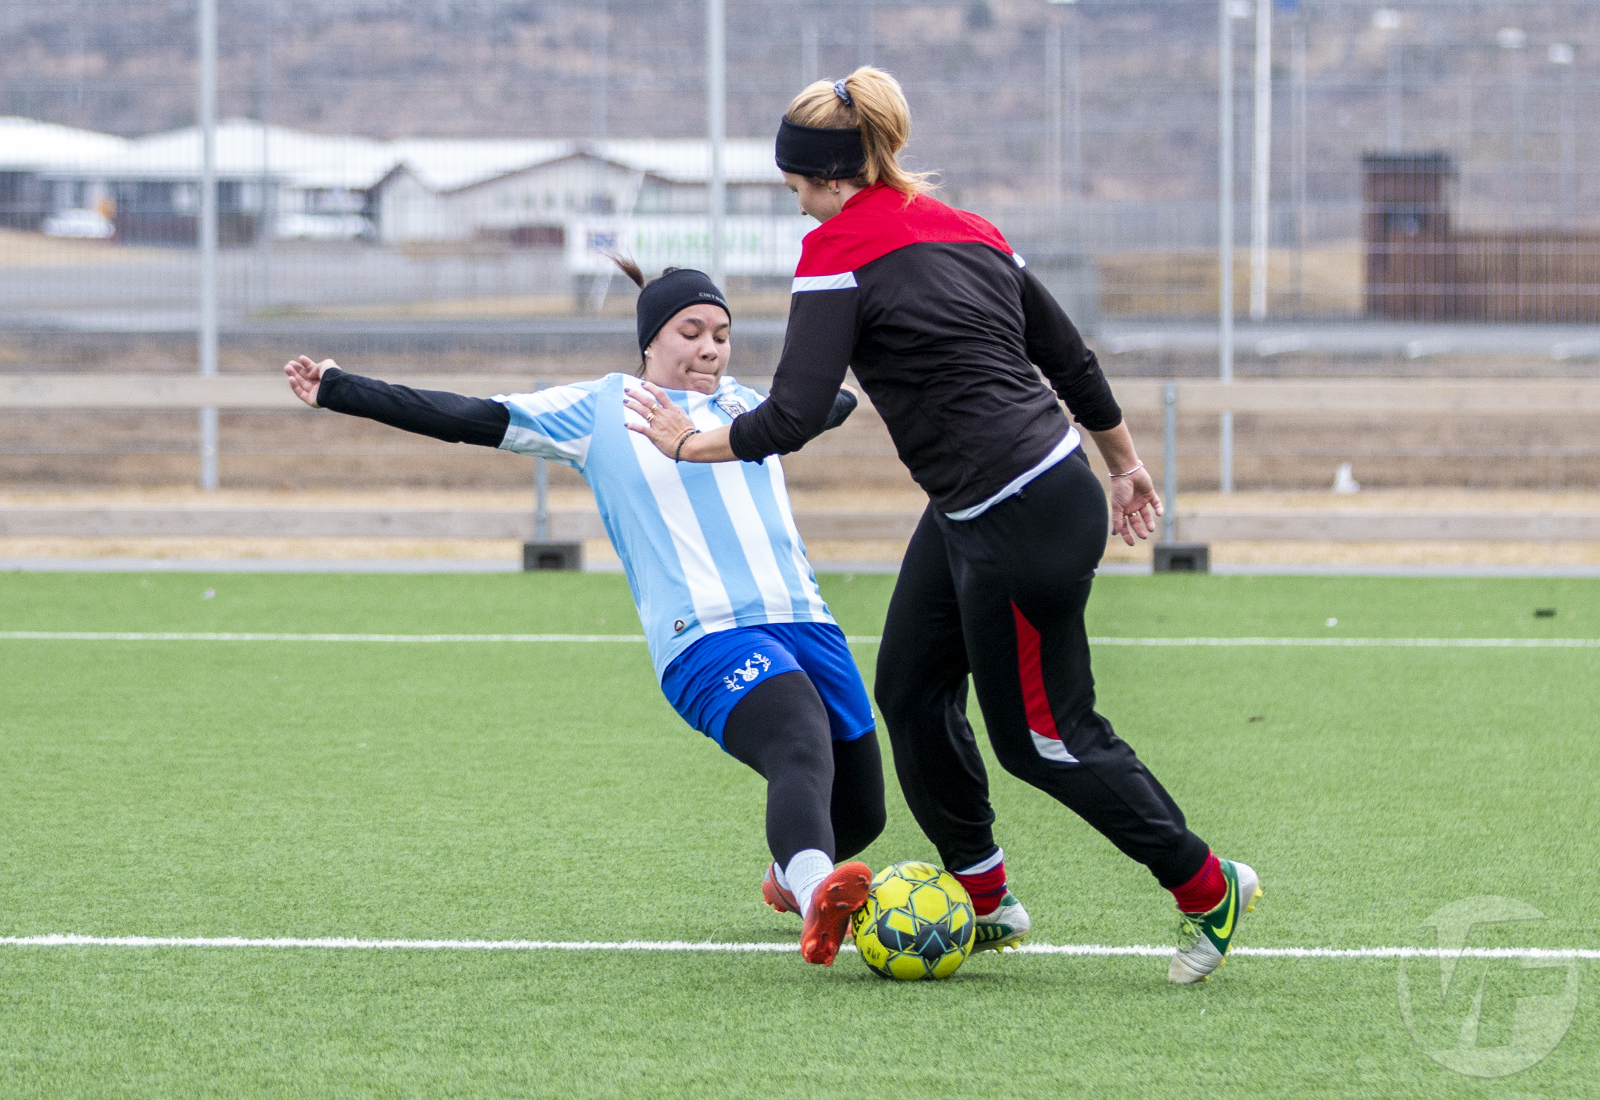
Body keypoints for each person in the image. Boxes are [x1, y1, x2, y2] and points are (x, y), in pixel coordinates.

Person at [628, 70, 1261, 983]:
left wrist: (692, 443)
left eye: (796, 184)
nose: (796, 201)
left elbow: (795, 413)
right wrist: (1122, 463)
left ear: (830, 178)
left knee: (1045, 737)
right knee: (913, 693)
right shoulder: (974, 229)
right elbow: (1070, 359)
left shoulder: (835, 249)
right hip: (990, 504)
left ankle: (1207, 886)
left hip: (1022, 518)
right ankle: (987, 895)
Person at [283, 262, 884, 967]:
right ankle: (817, 893)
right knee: (798, 738)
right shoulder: (600, 410)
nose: (710, 349)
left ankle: (790, 875)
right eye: (690, 332)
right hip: (708, 634)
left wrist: (812, 396)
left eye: (722, 335)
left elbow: (831, 402)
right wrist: (340, 388)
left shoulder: (747, 406)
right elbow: (466, 416)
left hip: (808, 623)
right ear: (650, 340)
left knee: (864, 811)